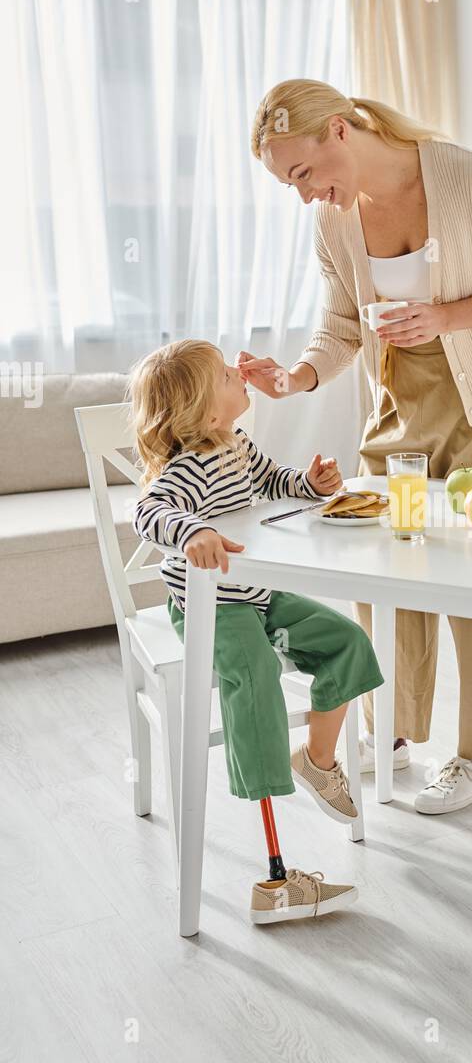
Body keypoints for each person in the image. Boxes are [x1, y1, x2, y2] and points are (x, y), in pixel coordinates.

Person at [243, 79, 472, 815]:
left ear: (340, 133)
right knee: (383, 566)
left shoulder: (465, 177)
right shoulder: (334, 223)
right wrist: (295, 377)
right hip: (398, 404)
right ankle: (386, 731)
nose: (303, 196)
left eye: (301, 174)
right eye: (287, 185)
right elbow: (342, 325)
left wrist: (448, 314)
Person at [129, 338, 384, 921]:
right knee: (255, 674)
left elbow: (275, 481)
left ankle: (317, 760)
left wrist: (312, 484)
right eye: (225, 374)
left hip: (260, 597)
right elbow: (150, 511)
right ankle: (275, 879)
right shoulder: (184, 468)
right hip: (209, 606)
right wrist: (191, 532)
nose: (239, 372)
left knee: (346, 641)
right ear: (205, 411)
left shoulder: (237, 443)